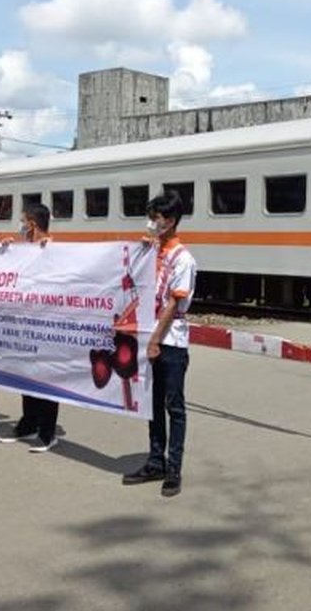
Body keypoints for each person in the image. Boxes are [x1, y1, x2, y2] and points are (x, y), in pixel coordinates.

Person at [122, 191, 197, 497]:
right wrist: (143, 252)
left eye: (155, 218)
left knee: (173, 406)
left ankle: (174, 469)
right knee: (152, 406)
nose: (151, 223)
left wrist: (154, 341)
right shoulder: (154, 252)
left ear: (170, 221)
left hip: (171, 342)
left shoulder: (184, 259)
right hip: (149, 337)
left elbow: (172, 305)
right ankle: (155, 461)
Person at [0, 202, 59, 452]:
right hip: (24, 324)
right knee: (26, 376)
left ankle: (48, 432)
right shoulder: (25, 250)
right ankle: (28, 424)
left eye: (23, 221)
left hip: (46, 324)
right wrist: (4, 251)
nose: (20, 226)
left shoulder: (55, 250)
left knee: (46, 378)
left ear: (32, 223)